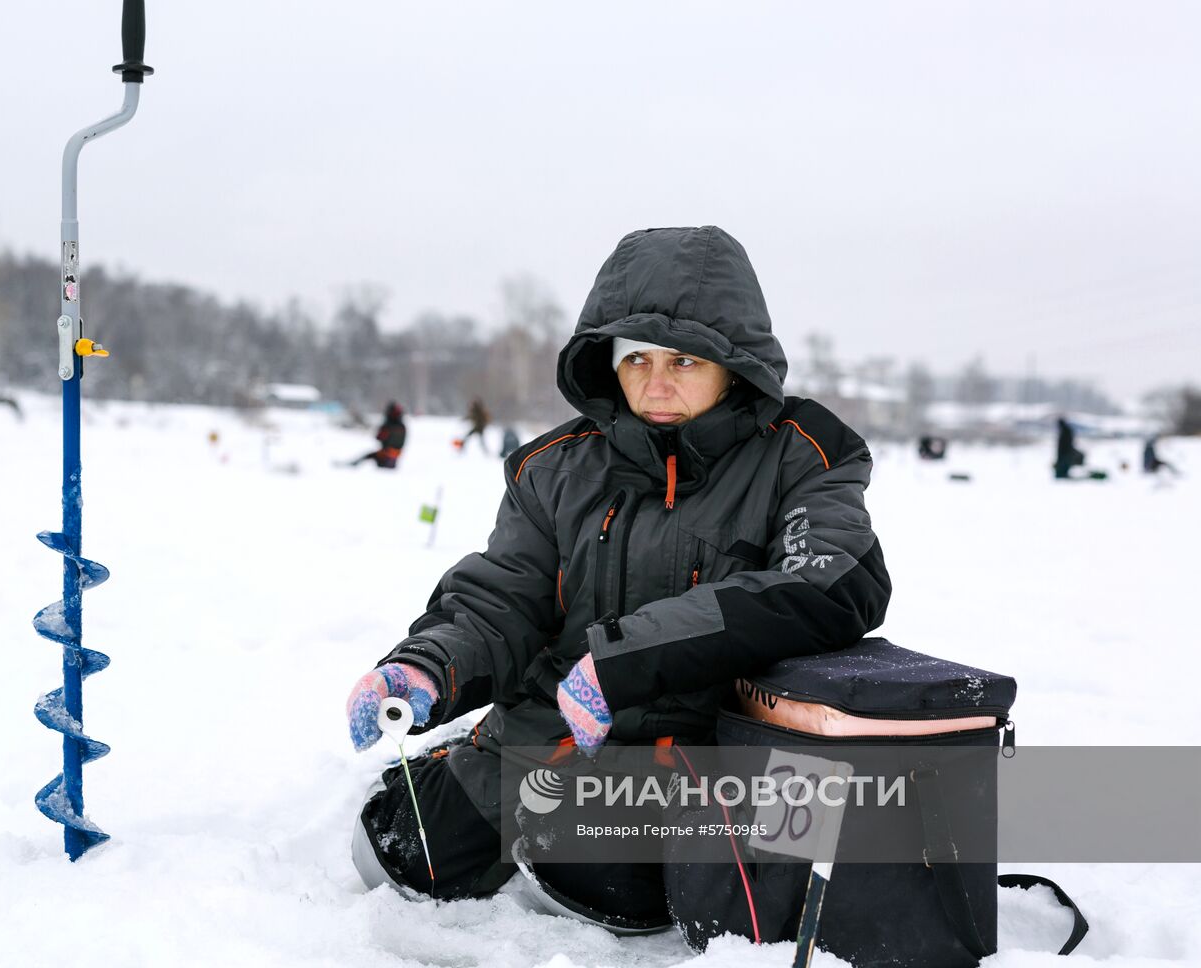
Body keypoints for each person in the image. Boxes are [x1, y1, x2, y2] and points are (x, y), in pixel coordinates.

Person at [346, 226, 891, 928]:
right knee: (392, 856)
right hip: (546, 730)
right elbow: (502, 597)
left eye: (685, 360)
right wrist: (426, 667)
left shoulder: (803, 454)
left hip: (698, 758)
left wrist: (626, 660)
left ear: (735, 364)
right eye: (635, 360)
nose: (656, 384)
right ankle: (459, 766)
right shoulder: (555, 468)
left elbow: (826, 582)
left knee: (596, 873)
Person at [350, 401, 407, 469]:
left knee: (369, 456)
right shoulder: (402, 427)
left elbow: (379, 437)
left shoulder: (388, 426)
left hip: (386, 455)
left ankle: (352, 466)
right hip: (394, 456)